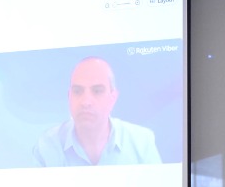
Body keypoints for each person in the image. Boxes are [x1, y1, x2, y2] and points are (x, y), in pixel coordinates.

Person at [32, 57, 161, 166]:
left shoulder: (142, 142)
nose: (86, 102)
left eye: (97, 91)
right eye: (77, 91)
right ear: (69, 97)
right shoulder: (47, 146)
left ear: (113, 98)